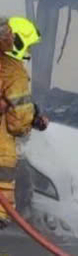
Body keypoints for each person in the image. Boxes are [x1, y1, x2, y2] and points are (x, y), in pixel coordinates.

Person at [0, 17, 49, 227]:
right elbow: (18, 122)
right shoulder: (14, 71)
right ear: (18, 41)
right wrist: (32, 121)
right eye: (27, 45)